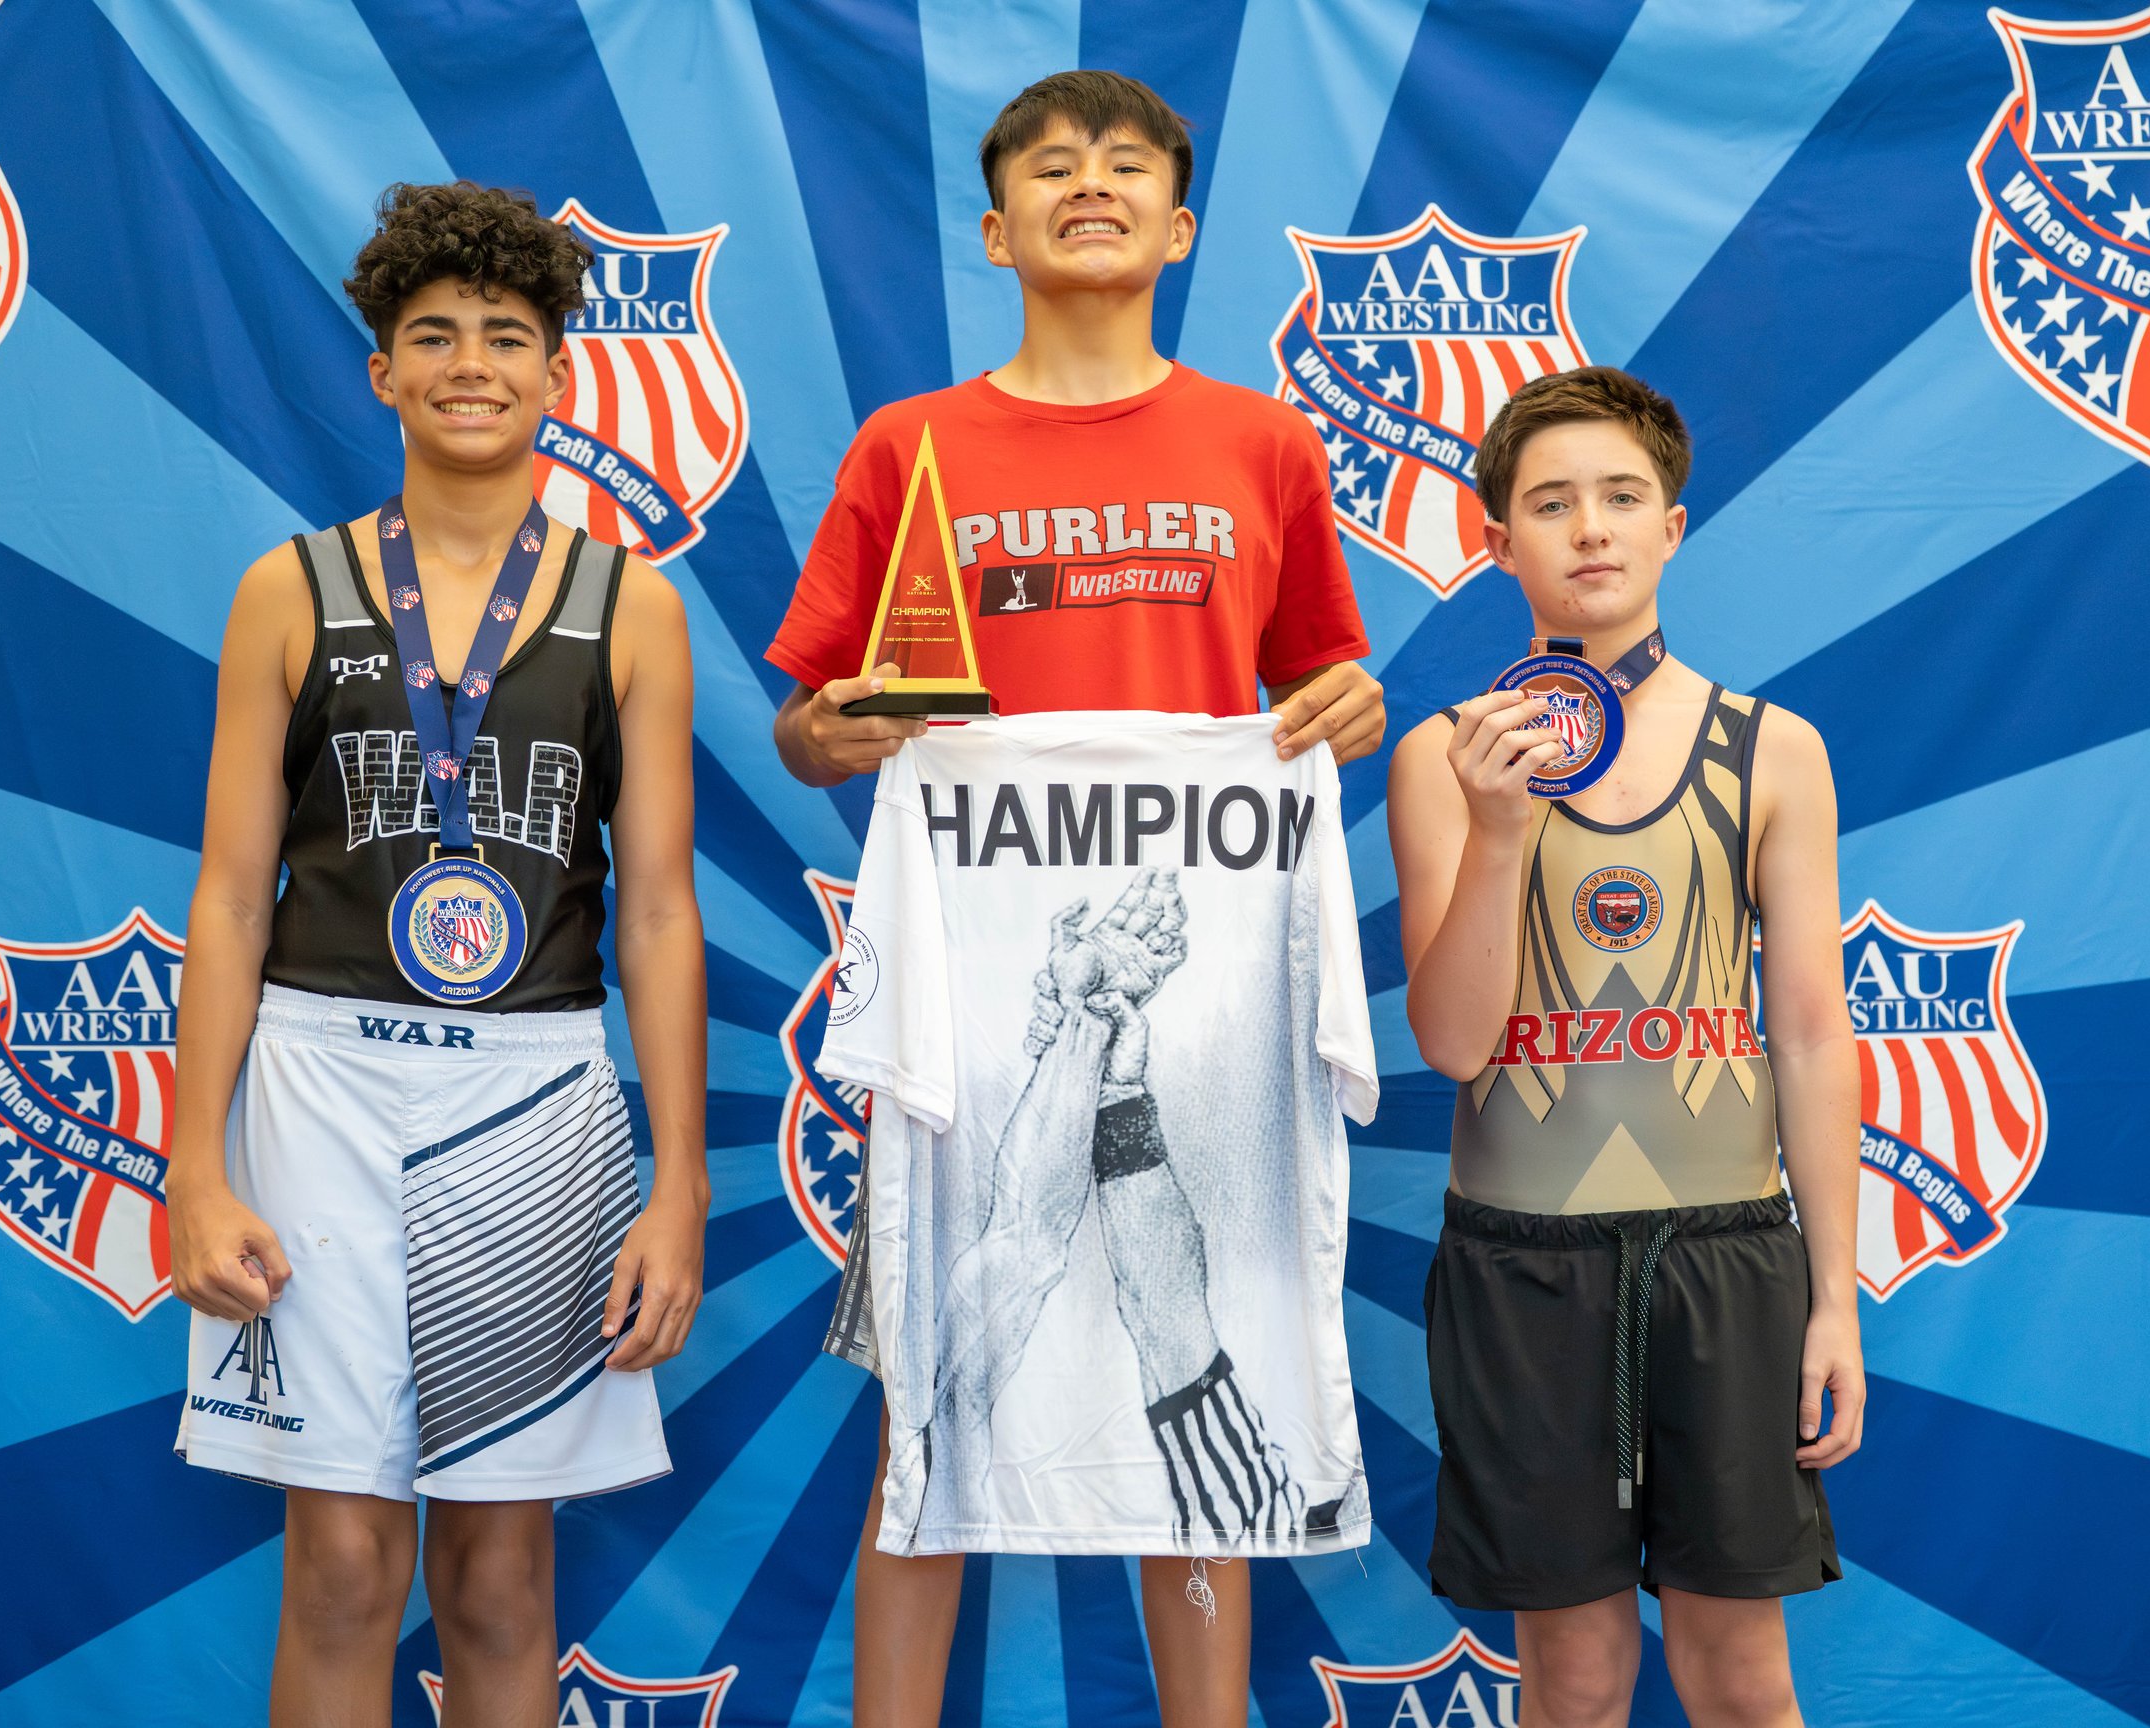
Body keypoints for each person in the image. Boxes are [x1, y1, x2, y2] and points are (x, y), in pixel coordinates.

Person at [764, 71, 1385, 1728]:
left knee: (1194, 1362)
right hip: (979, 1010)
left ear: (1181, 228)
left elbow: (1327, 682)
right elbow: (808, 719)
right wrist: (847, 729)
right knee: (934, 1393)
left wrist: (1347, 706)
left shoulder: (1264, 443)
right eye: (1052, 165)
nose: (1088, 184)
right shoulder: (913, 446)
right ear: (998, 228)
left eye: (1126, 166)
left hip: (1196, 1006)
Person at [165, 181, 708, 1728]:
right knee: (339, 1562)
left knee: (496, 1575)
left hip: (535, 1101)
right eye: (434, 335)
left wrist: (677, 1183)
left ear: (560, 375)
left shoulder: (634, 611)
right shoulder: (290, 587)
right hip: (319, 1079)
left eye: (509, 337)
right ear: (381, 373)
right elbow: (227, 896)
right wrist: (194, 1166)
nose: (471, 362)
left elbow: (660, 911)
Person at [1387, 365, 1863, 1728]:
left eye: (1620, 497)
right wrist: (1496, 836)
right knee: (1575, 1678)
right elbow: (1458, 1045)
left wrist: (1834, 1297)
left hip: (1725, 1255)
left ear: (1674, 525)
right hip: (1523, 1271)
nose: (1589, 527)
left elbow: (1816, 1033)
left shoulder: (1774, 750)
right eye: (1550, 503)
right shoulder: (1445, 760)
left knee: (1739, 1669)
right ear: (1496, 541)